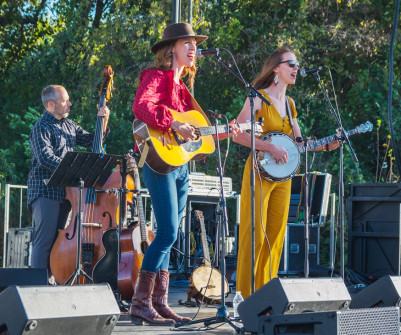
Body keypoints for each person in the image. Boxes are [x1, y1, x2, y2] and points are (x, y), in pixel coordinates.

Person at [131, 22, 240, 326]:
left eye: (195, 44)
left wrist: (228, 132)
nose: (194, 48)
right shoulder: (155, 77)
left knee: (173, 233)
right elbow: (141, 107)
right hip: (157, 161)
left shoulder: (182, 90)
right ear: (171, 49)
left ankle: (159, 301)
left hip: (179, 166)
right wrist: (174, 124)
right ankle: (140, 303)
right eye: (187, 43)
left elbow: (198, 137)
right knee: (166, 232)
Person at [234, 46, 339, 298]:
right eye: (291, 63)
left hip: (283, 177)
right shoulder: (258, 97)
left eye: (297, 64)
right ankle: (244, 296)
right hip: (259, 173)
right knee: (255, 234)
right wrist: (269, 147)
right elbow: (238, 133)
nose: (296, 68)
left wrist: (325, 146)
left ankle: (265, 296)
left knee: (275, 236)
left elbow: (298, 145)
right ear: (276, 69)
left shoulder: (290, 106)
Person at [27, 85, 110, 271]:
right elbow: (45, 159)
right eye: (65, 101)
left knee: (58, 241)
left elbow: (92, 141)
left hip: (65, 193)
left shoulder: (70, 125)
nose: (70, 104)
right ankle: (37, 288)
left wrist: (103, 121)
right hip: (45, 191)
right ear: (51, 104)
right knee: (44, 242)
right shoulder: (40, 127)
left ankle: (51, 283)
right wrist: (76, 168)